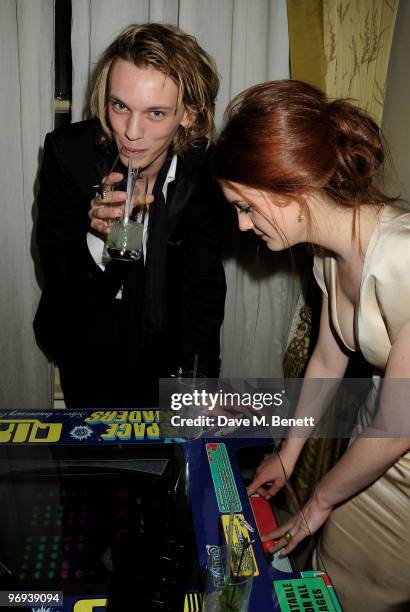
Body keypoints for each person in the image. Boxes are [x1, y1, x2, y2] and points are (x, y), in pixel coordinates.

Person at [213, 80, 410, 611]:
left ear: (290, 186)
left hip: (397, 453)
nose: (242, 223)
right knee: (331, 579)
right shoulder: (328, 251)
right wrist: (289, 452)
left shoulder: (404, 259)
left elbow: (398, 430)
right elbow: (328, 356)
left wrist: (318, 499)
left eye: (246, 206)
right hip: (372, 449)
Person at [34, 23, 226, 408]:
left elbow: (202, 294)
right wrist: (100, 233)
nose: (131, 132)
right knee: (91, 463)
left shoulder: (205, 173)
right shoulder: (69, 155)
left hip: (168, 353)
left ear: (188, 115)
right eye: (119, 105)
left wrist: (199, 384)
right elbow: (58, 278)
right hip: (86, 345)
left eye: (156, 113)